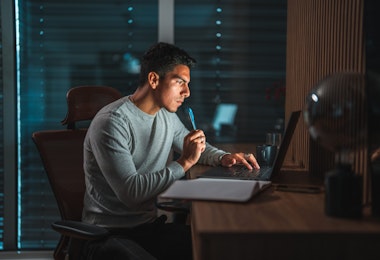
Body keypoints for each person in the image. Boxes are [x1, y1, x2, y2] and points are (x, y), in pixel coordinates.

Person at [81, 42, 260, 260]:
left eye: (188, 84)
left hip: (146, 229)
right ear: (154, 80)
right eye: (180, 83)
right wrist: (184, 162)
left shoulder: (165, 115)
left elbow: (195, 148)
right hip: (107, 236)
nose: (187, 92)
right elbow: (132, 194)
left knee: (217, 248)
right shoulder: (112, 122)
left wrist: (223, 157)